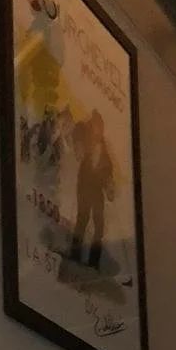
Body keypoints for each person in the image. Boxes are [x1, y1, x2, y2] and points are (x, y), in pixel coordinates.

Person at [70, 109, 115, 271]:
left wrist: (109, 185)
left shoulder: (105, 152)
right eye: (96, 127)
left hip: (97, 192)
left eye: (100, 127)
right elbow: (78, 147)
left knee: (99, 227)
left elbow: (108, 172)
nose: (98, 130)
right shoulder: (86, 143)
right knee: (82, 221)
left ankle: (93, 263)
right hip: (84, 189)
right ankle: (75, 256)